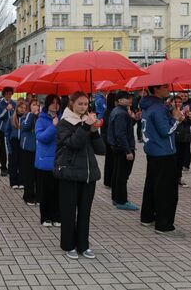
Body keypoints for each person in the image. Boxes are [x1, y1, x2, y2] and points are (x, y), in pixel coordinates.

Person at [55, 91, 105, 260]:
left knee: (85, 212)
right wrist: (84, 127)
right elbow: (73, 143)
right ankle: (68, 245)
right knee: (69, 212)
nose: (83, 107)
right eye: (80, 104)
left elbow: (101, 150)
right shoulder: (64, 123)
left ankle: (83, 245)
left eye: (85, 104)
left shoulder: (87, 121)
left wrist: (94, 130)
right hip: (69, 173)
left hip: (88, 175)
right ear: (72, 104)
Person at [140, 84, 185, 237]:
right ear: (157, 89)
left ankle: (147, 216)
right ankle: (163, 224)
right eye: (164, 86)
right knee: (166, 191)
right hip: (164, 152)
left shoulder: (148, 105)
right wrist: (177, 120)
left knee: (152, 185)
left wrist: (172, 113)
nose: (167, 89)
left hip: (153, 150)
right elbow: (165, 130)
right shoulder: (158, 108)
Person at [108, 91, 139, 210]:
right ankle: (121, 200)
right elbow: (121, 133)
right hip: (123, 148)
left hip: (117, 148)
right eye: (127, 98)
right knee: (122, 175)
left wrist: (134, 119)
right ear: (120, 100)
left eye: (130, 97)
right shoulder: (121, 113)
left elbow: (125, 128)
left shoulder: (118, 111)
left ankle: (116, 198)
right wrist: (128, 151)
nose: (130, 99)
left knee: (117, 173)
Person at [35, 94, 61, 227]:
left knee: (57, 191)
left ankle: (57, 217)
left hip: (59, 159)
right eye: (52, 102)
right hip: (45, 160)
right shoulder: (41, 119)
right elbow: (41, 137)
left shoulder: (63, 118)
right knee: (46, 191)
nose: (55, 105)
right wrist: (53, 127)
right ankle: (45, 217)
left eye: (57, 102)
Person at [20, 99, 39, 205]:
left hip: (38, 149)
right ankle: (28, 196)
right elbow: (26, 126)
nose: (36, 106)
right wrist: (32, 114)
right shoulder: (26, 116)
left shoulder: (41, 117)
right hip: (28, 149)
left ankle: (37, 195)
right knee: (29, 174)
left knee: (37, 175)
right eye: (34, 105)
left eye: (37, 105)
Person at [173, 96, 191, 185]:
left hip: (184, 138)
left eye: (179, 102)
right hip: (174, 139)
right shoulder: (169, 111)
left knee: (180, 160)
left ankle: (179, 177)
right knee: (173, 160)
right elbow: (173, 121)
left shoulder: (187, 110)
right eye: (176, 102)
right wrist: (181, 114)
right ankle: (171, 178)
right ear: (171, 103)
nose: (178, 103)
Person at [0, 87, 16, 177]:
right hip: (3, 130)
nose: (8, 95)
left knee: (11, 149)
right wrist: (6, 109)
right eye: (7, 94)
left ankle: (11, 167)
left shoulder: (14, 103)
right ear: (4, 94)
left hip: (12, 130)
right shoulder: (0, 104)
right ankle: (3, 168)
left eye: (10, 94)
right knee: (3, 150)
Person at [6, 100, 26, 189]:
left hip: (22, 143)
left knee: (22, 163)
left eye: (25, 108)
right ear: (17, 108)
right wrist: (9, 146)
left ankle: (21, 181)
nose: (23, 109)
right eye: (21, 107)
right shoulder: (11, 118)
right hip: (14, 142)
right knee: (13, 163)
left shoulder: (26, 119)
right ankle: (13, 182)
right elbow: (7, 132)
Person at [101, 93, 116, 188]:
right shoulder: (109, 112)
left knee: (110, 161)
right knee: (111, 161)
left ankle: (108, 181)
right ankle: (109, 181)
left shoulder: (109, 111)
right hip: (110, 139)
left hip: (108, 138)